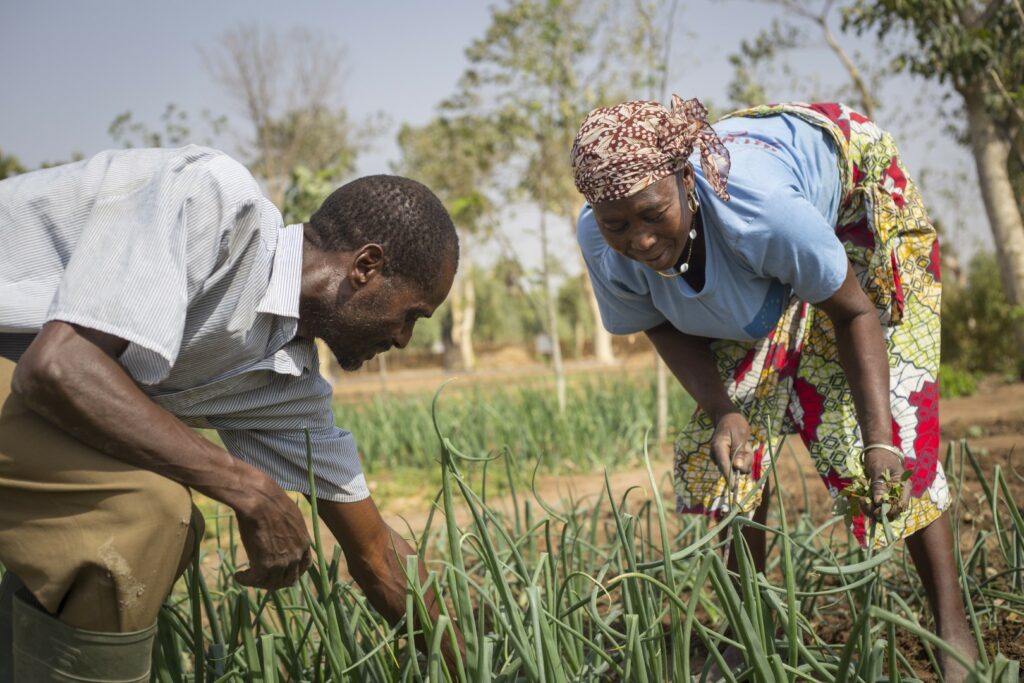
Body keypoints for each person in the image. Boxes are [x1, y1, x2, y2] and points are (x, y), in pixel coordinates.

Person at [0, 145, 461, 681]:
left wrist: (469, 662)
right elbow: (60, 366)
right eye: (411, 316)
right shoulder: (214, 202)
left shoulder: (286, 386)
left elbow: (376, 552)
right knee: (144, 510)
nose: (403, 339)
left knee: (123, 528)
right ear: (366, 267)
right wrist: (250, 489)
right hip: (29, 367)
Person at [571, 96, 977, 681]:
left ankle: (952, 630)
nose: (639, 239)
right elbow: (658, 320)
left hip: (851, 192)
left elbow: (854, 313)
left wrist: (880, 439)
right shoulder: (598, 239)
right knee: (727, 450)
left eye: (652, 214)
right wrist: (722, 410)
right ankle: (749, 634)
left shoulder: (761, 213)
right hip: (759, 247)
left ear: (687, 179)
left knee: (888, 431)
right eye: (618, 225)